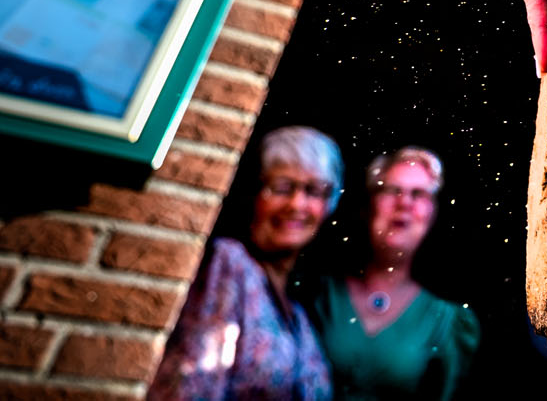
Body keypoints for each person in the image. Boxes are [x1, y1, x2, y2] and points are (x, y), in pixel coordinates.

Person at [150, 127, 340, 401]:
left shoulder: (298, 313)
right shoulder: (229, 264)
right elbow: (189, 388)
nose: (297, 204)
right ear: (255, 195)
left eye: (313, 191)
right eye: (282, 187)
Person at [301, 148, 480, 401]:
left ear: (433, 214)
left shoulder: (448, 322)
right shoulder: (317, 293)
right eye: (392, 190)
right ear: (370, 205)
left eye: (418, 194)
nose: (404, 202)